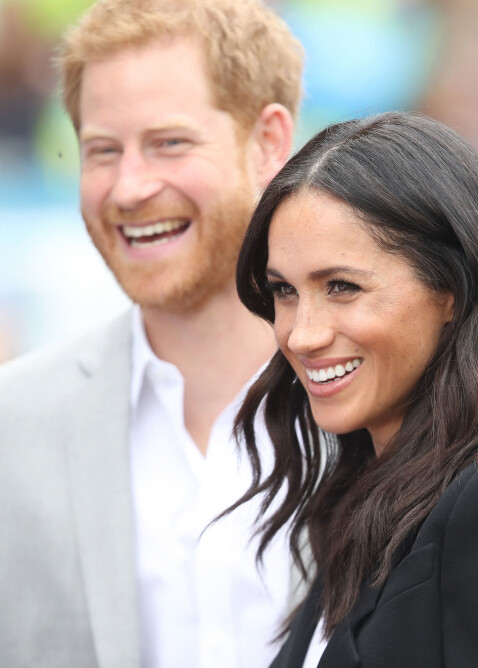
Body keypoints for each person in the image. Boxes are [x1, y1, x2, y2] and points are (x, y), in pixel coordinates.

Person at [0, 1, 303, 666]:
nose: (129, 188)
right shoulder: (12, 423)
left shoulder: (391, 409)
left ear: (269, 144)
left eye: (169, 142)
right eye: (102, 151)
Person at [230, 111, 478, 667]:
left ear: (452, 291)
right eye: (284, 291)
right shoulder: (360, 497)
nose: (302, 334)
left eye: (342, 287)